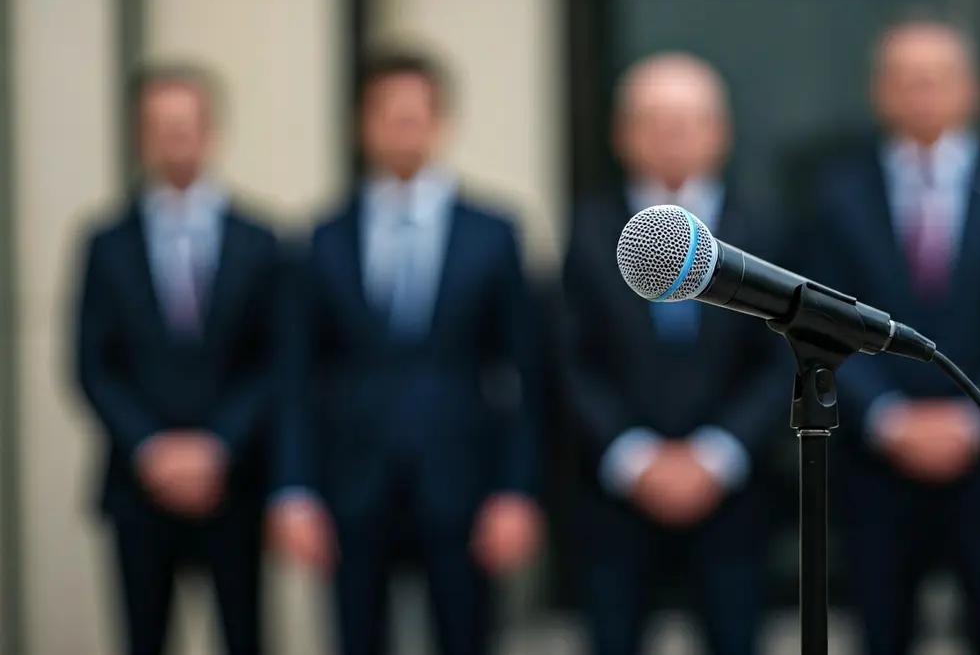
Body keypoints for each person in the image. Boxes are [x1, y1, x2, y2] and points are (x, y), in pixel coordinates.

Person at [268, 49, 544, 655]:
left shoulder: (494, 234)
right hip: (352, 485)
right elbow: (295, 375)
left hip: (462, 484)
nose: (402, 129)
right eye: (388, 116)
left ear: (441, 123)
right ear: (361, 124)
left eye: (414, 116)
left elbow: (526, 373)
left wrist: (518, 489)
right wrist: (293, 488)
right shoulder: (322, 238)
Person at [805, 22, 980, 655]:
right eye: (905, 78)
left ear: (970, 89)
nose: (921, 92)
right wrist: (890, 419)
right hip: (877, 463)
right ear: (878, 92)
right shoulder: (837, 193)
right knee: (882, 629)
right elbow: (819, 319)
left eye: (937, 78)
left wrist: (974, 418)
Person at [560, 52, 789, 655]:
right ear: (621, 134)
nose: (672, 136)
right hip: (617, 493)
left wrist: (716, 455)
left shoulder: (763, 231)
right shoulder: (586, 232)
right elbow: (568, 360)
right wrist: (636, 458)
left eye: (688, 120)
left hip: (732, 492)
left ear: (721, 133)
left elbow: (780, 359)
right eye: (654, 120)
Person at [73, 64, 281, 655]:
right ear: (141, 136)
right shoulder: (106, 244)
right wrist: (152, 448)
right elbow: (92, 363)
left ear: (211, 133)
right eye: (160, 128)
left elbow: (274, 362)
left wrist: (218, 445)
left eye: (185, 127)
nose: (174, 139)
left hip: (234, 484)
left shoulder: (260, 243)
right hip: (140, 486)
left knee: (244, 634)